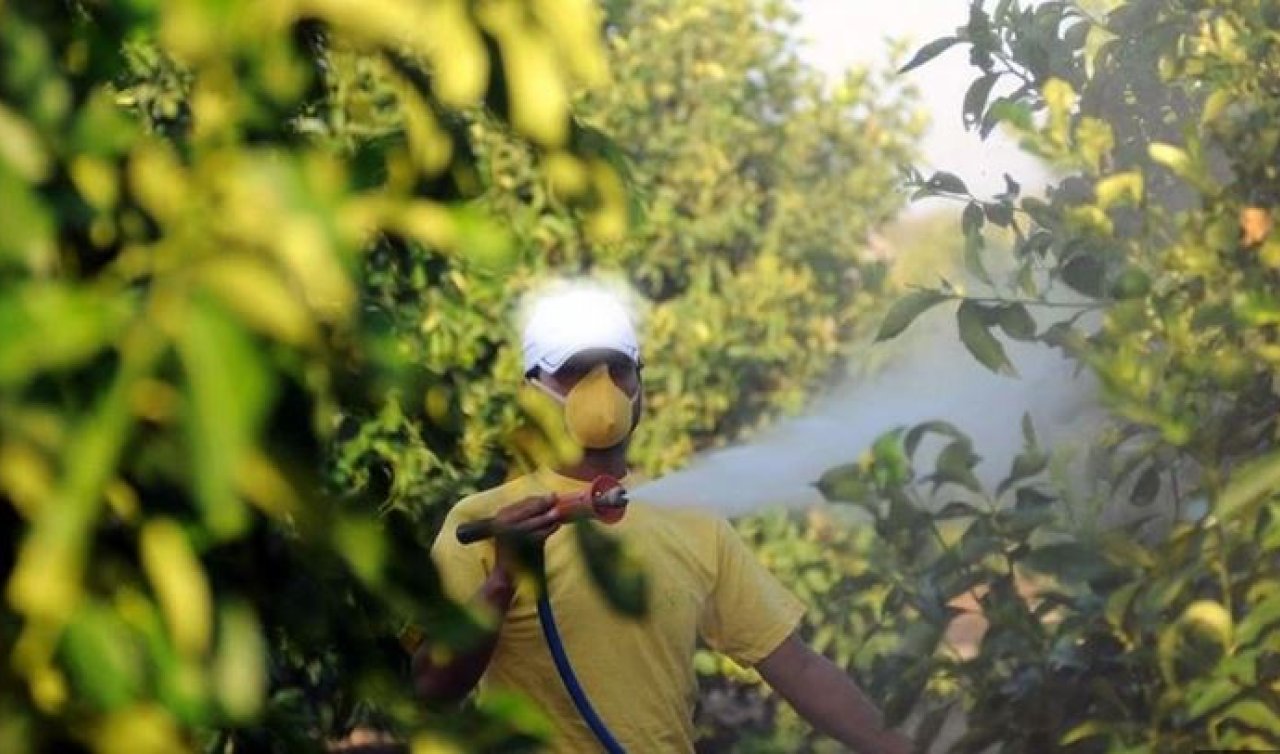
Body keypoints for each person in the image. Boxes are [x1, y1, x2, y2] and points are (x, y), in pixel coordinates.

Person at [415, 286, 913, 754]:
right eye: (575, 370)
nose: (602, 388)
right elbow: (430, 689)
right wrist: (504, 580)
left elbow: (798, 668)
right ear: (532, 392)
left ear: (641, 382)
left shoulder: (691, 518)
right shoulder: (482, 523)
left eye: (617, 368)